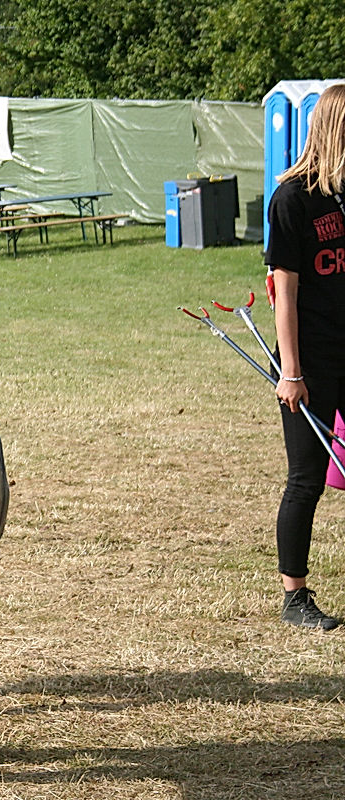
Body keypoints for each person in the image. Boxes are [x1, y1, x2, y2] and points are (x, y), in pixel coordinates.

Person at [265, 81, 345, 632]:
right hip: (309, 364)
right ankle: (295, 596)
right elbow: (284, 296)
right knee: (306, 480)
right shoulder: (292, 198)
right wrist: (291, 373)